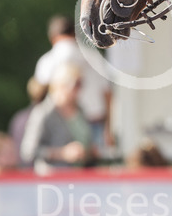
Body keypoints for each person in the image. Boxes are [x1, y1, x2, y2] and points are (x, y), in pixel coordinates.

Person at [34, 15, 112, 147]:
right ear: (75, 34)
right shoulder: (94, 57)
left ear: (52, 37)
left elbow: (38, 96)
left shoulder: (47, 61)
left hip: (59, 125)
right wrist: (108, 128)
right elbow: (108, 94)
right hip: (95, 123)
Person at [21, 62, 96, 170]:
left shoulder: (80, 110)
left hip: (78, 178)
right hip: (53, 179)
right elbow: (28, 151)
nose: (79, 89)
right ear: (61, 84)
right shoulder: (43, 112)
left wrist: (89, 152)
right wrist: (61, 154)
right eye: (76, 84)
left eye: (81, 84)